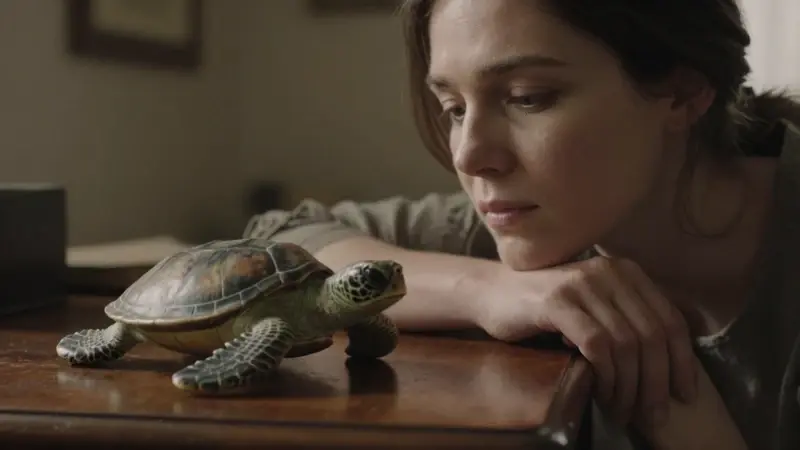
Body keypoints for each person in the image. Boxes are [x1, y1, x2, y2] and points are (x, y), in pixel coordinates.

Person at [244, 0, 800, 448]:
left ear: (682, 92)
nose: (468, 155)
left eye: (527, 98)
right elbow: (279, 243)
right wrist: (487, 290)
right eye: (454, 108)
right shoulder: (524, 224)